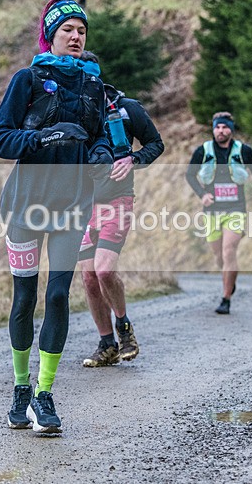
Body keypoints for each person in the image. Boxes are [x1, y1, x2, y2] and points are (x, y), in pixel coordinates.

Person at [0, 0, 111, 434]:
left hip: (73, 206)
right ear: (51, 35)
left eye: (82, 31)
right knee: (24, 299)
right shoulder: (28, 79)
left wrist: (101, 153)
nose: (76, 37)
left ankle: (44, 393)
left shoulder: (93, 86)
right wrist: (43, 138)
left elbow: (98, 139)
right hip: (25, 205)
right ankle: (20, 387)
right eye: (68, 30)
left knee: (58, 296)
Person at [76, 52, 165, 367]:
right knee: (88, 277)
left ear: (97, 77)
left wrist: (134, 159)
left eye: (88, 78)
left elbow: (155, 143)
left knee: (104, 270)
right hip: (84, 205)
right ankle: (106, 345)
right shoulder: (71, 113)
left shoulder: (126, 109)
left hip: (117, 200)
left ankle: (124, 327)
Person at [185, 112, 252, 315]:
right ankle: (229, 279)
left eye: (225, 127)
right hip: (212, 211)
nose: (221, 131)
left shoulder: (243, 150)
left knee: (229, 250)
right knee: (219, 256)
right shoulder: (203, 151)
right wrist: (202, 194)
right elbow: (190, 174)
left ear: (231, 129)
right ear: (213, 129)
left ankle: (226, 298)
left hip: (236, 209)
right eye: (217, 127)